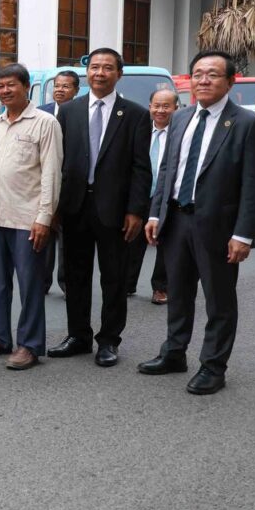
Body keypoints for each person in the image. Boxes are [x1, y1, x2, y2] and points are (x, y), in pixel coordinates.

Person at [139, 50, 255, 395]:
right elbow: (167, 169)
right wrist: (156, 213)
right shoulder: (180, 118)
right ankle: (174, 352)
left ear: (230, 81)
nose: (203, 80)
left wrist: (243, 234)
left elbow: (253, 184)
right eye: (197, 74)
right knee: (178, 293)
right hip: (176, 220)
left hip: (218, 227)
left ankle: (213, 366)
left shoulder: (246, 123)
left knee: (219, 300)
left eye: (212, 74)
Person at [48, 48, 151, 367]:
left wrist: (136, 210)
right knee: (75, 276)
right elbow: (58, 163)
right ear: (87, 73)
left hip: (115, 210)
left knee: (114, 279)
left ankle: (108, 340)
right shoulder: (69, 111)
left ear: (119, 74)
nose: (100, 73)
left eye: (107, 68)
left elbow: (141, 167)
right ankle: (78, 336)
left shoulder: (135, 114)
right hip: (75, 206)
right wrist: (54, 207)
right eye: (94, 67)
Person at [0, 64, 61, 370]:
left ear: (25, 87)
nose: (5, 91)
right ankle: (0, 337)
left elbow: (51, 173)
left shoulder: (45, 123)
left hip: (27, 220)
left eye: (11, 85)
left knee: (30, 285)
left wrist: (44, 217)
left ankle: (30, 345)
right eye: (1, 86)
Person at [124, 89, 178, 304]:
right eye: (156, 105)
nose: (160, 110)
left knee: (165, 244)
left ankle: (160, 287)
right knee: (132, 239)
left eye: (166, 106)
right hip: (141, 194)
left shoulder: (180, 132)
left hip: (167, 196)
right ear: (149, 107)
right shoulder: (140, 129)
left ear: (176, 108)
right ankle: (127, 283)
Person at [38, 70, 80, 294]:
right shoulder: (40, 113)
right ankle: (42, 283)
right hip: (44, 183)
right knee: (44, 234)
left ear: (76, 90)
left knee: (67, 239)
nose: (59, 90)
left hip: (70, 185)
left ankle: (67, 284)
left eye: (65, 86)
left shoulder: (80, 113)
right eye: (56, 86)